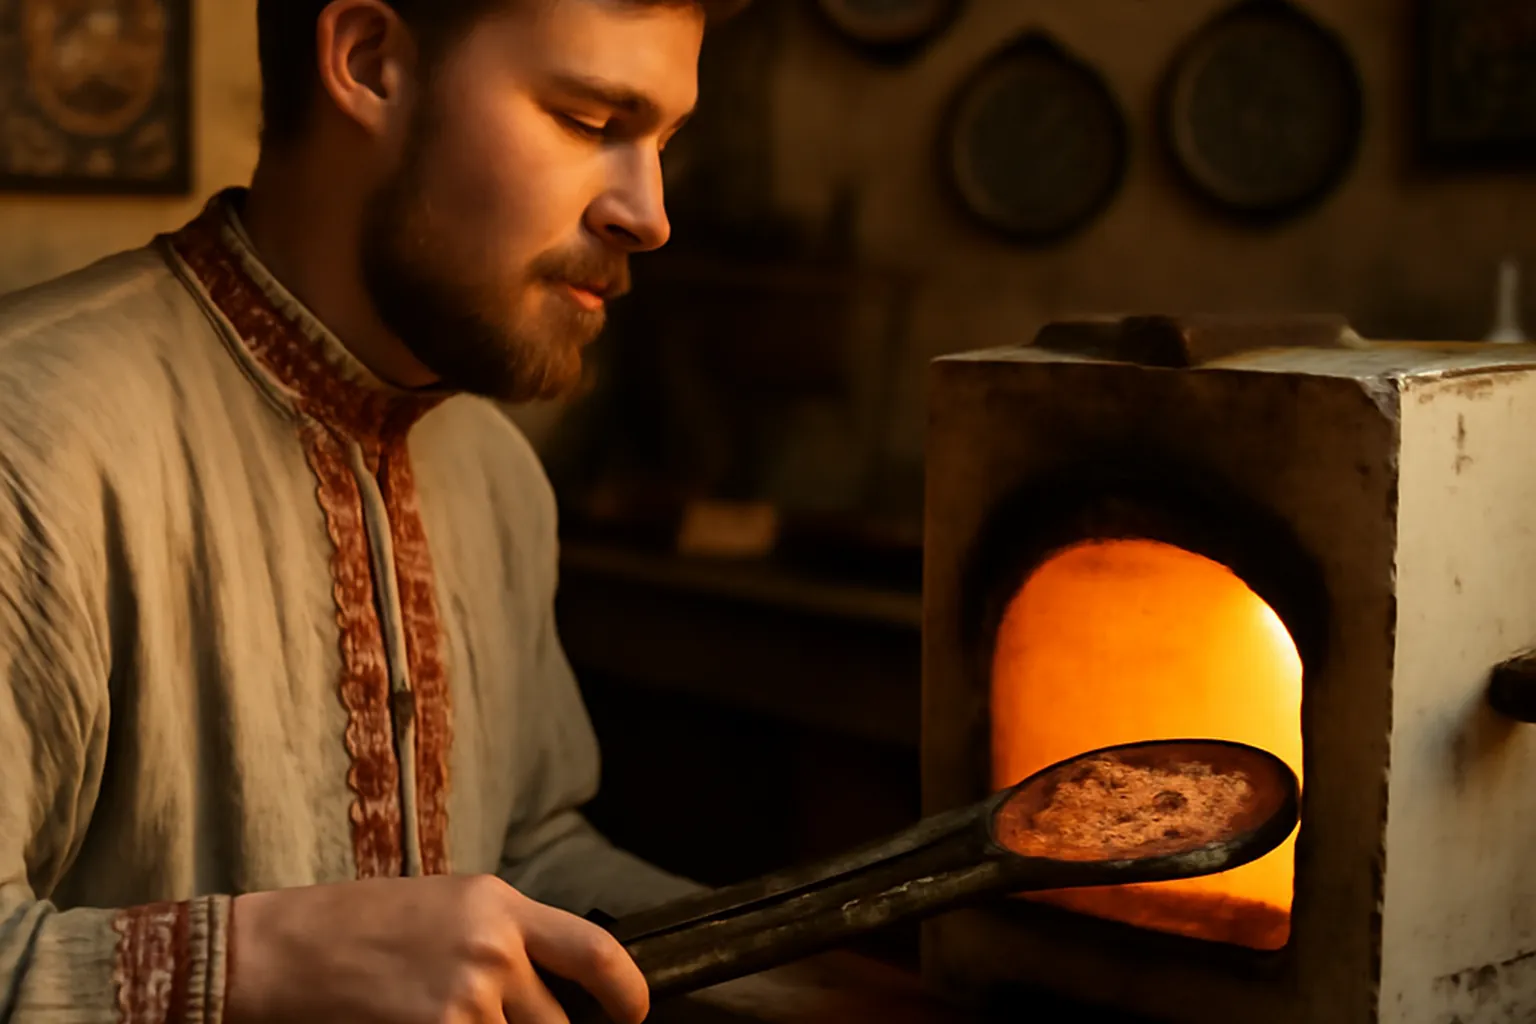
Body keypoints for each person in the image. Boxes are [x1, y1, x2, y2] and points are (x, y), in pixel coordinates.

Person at [0, 0, 741, 1020]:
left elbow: (524, 852)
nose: (649, 213)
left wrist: (807, 959)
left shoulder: (496, 472)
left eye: (662, 141)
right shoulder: (27, 439)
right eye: (586, 120)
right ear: (369, 61)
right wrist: (260, 960)